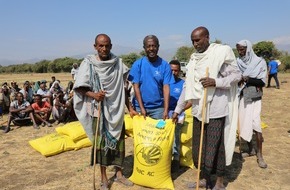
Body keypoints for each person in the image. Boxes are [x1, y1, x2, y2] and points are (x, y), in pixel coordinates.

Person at [173, 26, 241, 189]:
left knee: (216, 148)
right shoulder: (194, 59)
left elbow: (237, 75)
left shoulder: (219, 54)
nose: (195, 43)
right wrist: (177, 110)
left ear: (207, 37)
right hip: (198, 111)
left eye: (198, 40)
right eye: (193, 41)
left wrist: (216, 82)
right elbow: (187, 88)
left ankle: (219, 181)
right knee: (199, 149)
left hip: (216, 110)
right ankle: (203, 178)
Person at [73, 34, 136, 190]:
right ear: (95, 46)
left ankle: (119, 174)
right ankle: (104, 179)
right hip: (98, 110)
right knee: (101, 145)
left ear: (111, 46)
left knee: (119, 142)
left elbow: (124, 89)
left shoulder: (118, 63)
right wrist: (94, 94)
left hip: (116, 109)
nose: (104, 48)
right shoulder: (89, 64)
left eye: (107, 45)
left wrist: (131, 108)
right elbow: (79, 87)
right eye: (101, 46)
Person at [236, 40, 268, 169]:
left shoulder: (259, 62)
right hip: (242, 97)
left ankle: (260, 155)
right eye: (238, 49)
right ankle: (250, 150)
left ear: (248, 49)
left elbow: (262, 82)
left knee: (256, 125)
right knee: (245, 124)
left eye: (243, 49)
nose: (240, 52)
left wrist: (248, 79)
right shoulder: (238, 62)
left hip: (254, 98)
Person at [128, 35, 173, 120]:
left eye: (154, 46)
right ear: (144, 48)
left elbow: (166, 88)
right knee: (141, 133)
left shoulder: (165, 65)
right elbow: (136, 87)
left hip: (158, 109)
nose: (151, 49)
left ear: (158, 47)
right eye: (148, 46)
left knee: (159, 132)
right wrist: (142, 108)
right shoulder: (137, 65)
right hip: (139, 107)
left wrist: (166, 110)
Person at [168, 60, 191, 172]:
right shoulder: (164, 83)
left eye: (176, 70)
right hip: (165, 114)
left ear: (180, 71)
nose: (173, 72)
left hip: (179, 114)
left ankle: (175, 160)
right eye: (171, 70)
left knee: (176, 137)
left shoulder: (183, 84)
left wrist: (179, 111)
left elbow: (190, 102)